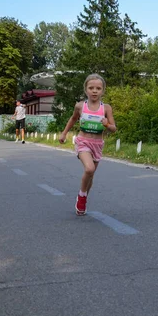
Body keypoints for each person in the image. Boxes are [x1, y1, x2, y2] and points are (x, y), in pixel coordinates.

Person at [59, 74, 116, 216]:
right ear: (86, 90)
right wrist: (64, 133)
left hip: (97, 143)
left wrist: (107, 124)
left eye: (98, 88)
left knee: (91, 175)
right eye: (91, 88)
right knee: (89, 169)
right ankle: (82, 197)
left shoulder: (106, 108)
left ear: (103, 91)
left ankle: (83, 196)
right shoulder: (80, 106)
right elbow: (73, 119)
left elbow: (114, 128)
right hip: (83, 141)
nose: (94, 91)